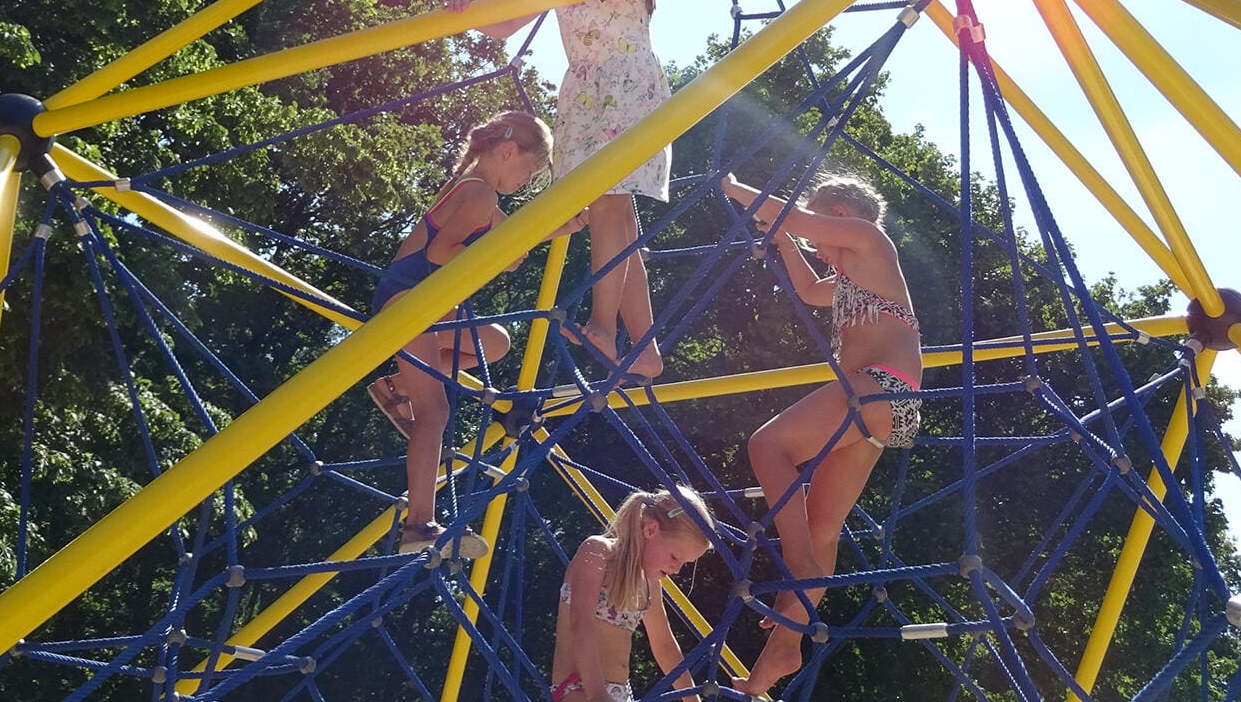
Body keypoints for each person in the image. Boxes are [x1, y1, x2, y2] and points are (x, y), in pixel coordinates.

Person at [447, 0, 669, 382]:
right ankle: (647, 348)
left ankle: (602, 323)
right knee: (612, 214)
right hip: (582, 99)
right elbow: (503, 24)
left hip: (629, 90)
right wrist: (470, 10)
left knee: (611, 203)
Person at [716, 172, 924, 697]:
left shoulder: (871, 242)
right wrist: (785, 240)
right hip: (887, 409)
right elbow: (810, 291)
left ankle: (801, 564)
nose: (816, 246)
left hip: (880, 388)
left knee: (768, 446)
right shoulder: (851, 275)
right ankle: (782, 650)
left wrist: (741, 188)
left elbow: (800, 219)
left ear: (840, 215)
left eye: (817, 233)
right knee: (822, 525)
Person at [366, 110, 589, 557]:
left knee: (494, 343)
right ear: (507, 151)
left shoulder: (482, 196)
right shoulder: (479, 193)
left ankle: (397, 385)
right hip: (408, 301)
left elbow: (519, 238)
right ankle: (420, 525)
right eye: (527, 169)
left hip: (426, 306)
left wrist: (561, 226)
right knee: (434, 414)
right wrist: (492, 255)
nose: (526, 181)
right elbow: (442, 250)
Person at [551, 486, 715, 702]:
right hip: (580, 688)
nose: (677, 569)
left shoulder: (649, 582)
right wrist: (597, 694)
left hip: (621, 693)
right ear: (650, 530)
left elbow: (664, 645)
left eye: (685, 563)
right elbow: (582, 624)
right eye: (675, 557)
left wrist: (692, 699)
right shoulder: (598, 552)